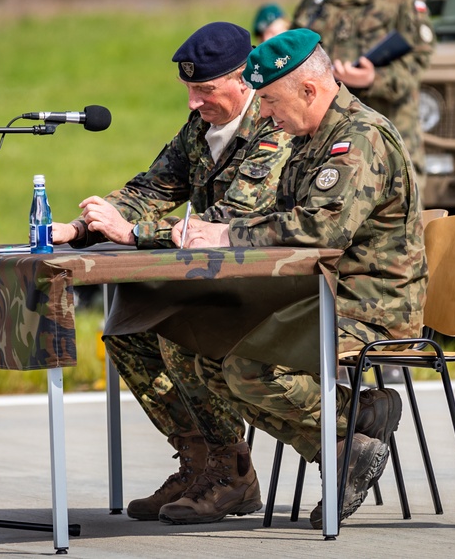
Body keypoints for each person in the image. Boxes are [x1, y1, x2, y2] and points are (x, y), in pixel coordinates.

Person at [174, 28, 427, 527]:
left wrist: (225, 235)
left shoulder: (358, 138)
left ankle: (348, 428)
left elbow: (319, 229)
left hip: (369, 308)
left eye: (269, 100)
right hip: (317, 297)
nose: (264, 113)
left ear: (309, 90)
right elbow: (284, 221)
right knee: (208, 355)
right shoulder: (310, 139)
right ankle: (347, 436)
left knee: (248, 366)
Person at [51, 22, 293, 525]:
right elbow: (152, 188)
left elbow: (227, 220)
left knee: (178, 334)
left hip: (272, 285)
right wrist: (83, 228)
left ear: (245, 81)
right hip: (216, 282)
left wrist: (134, 233)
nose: (192, 102)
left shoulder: (273, 129)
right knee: (127, 333)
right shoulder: (202, 128)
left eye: (204, 90)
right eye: (189, 90)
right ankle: (200, 460)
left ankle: (232, 472)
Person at [291, 0, 435, 182]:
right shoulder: (313, 6)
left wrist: (373, 78)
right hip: (324, 148)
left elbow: (419, 60)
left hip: (389, 145)